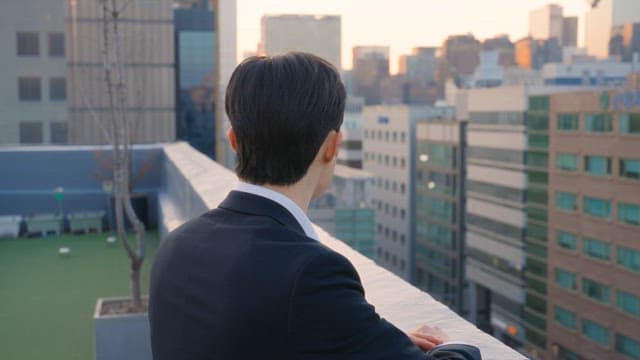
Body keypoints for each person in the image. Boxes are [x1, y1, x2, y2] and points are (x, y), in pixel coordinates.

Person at [149, 52, 481, 360]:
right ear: (332, 146)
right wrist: (451, 345)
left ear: (234, 141)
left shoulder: (175, 247)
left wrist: (369, 338)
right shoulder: (311, 272)